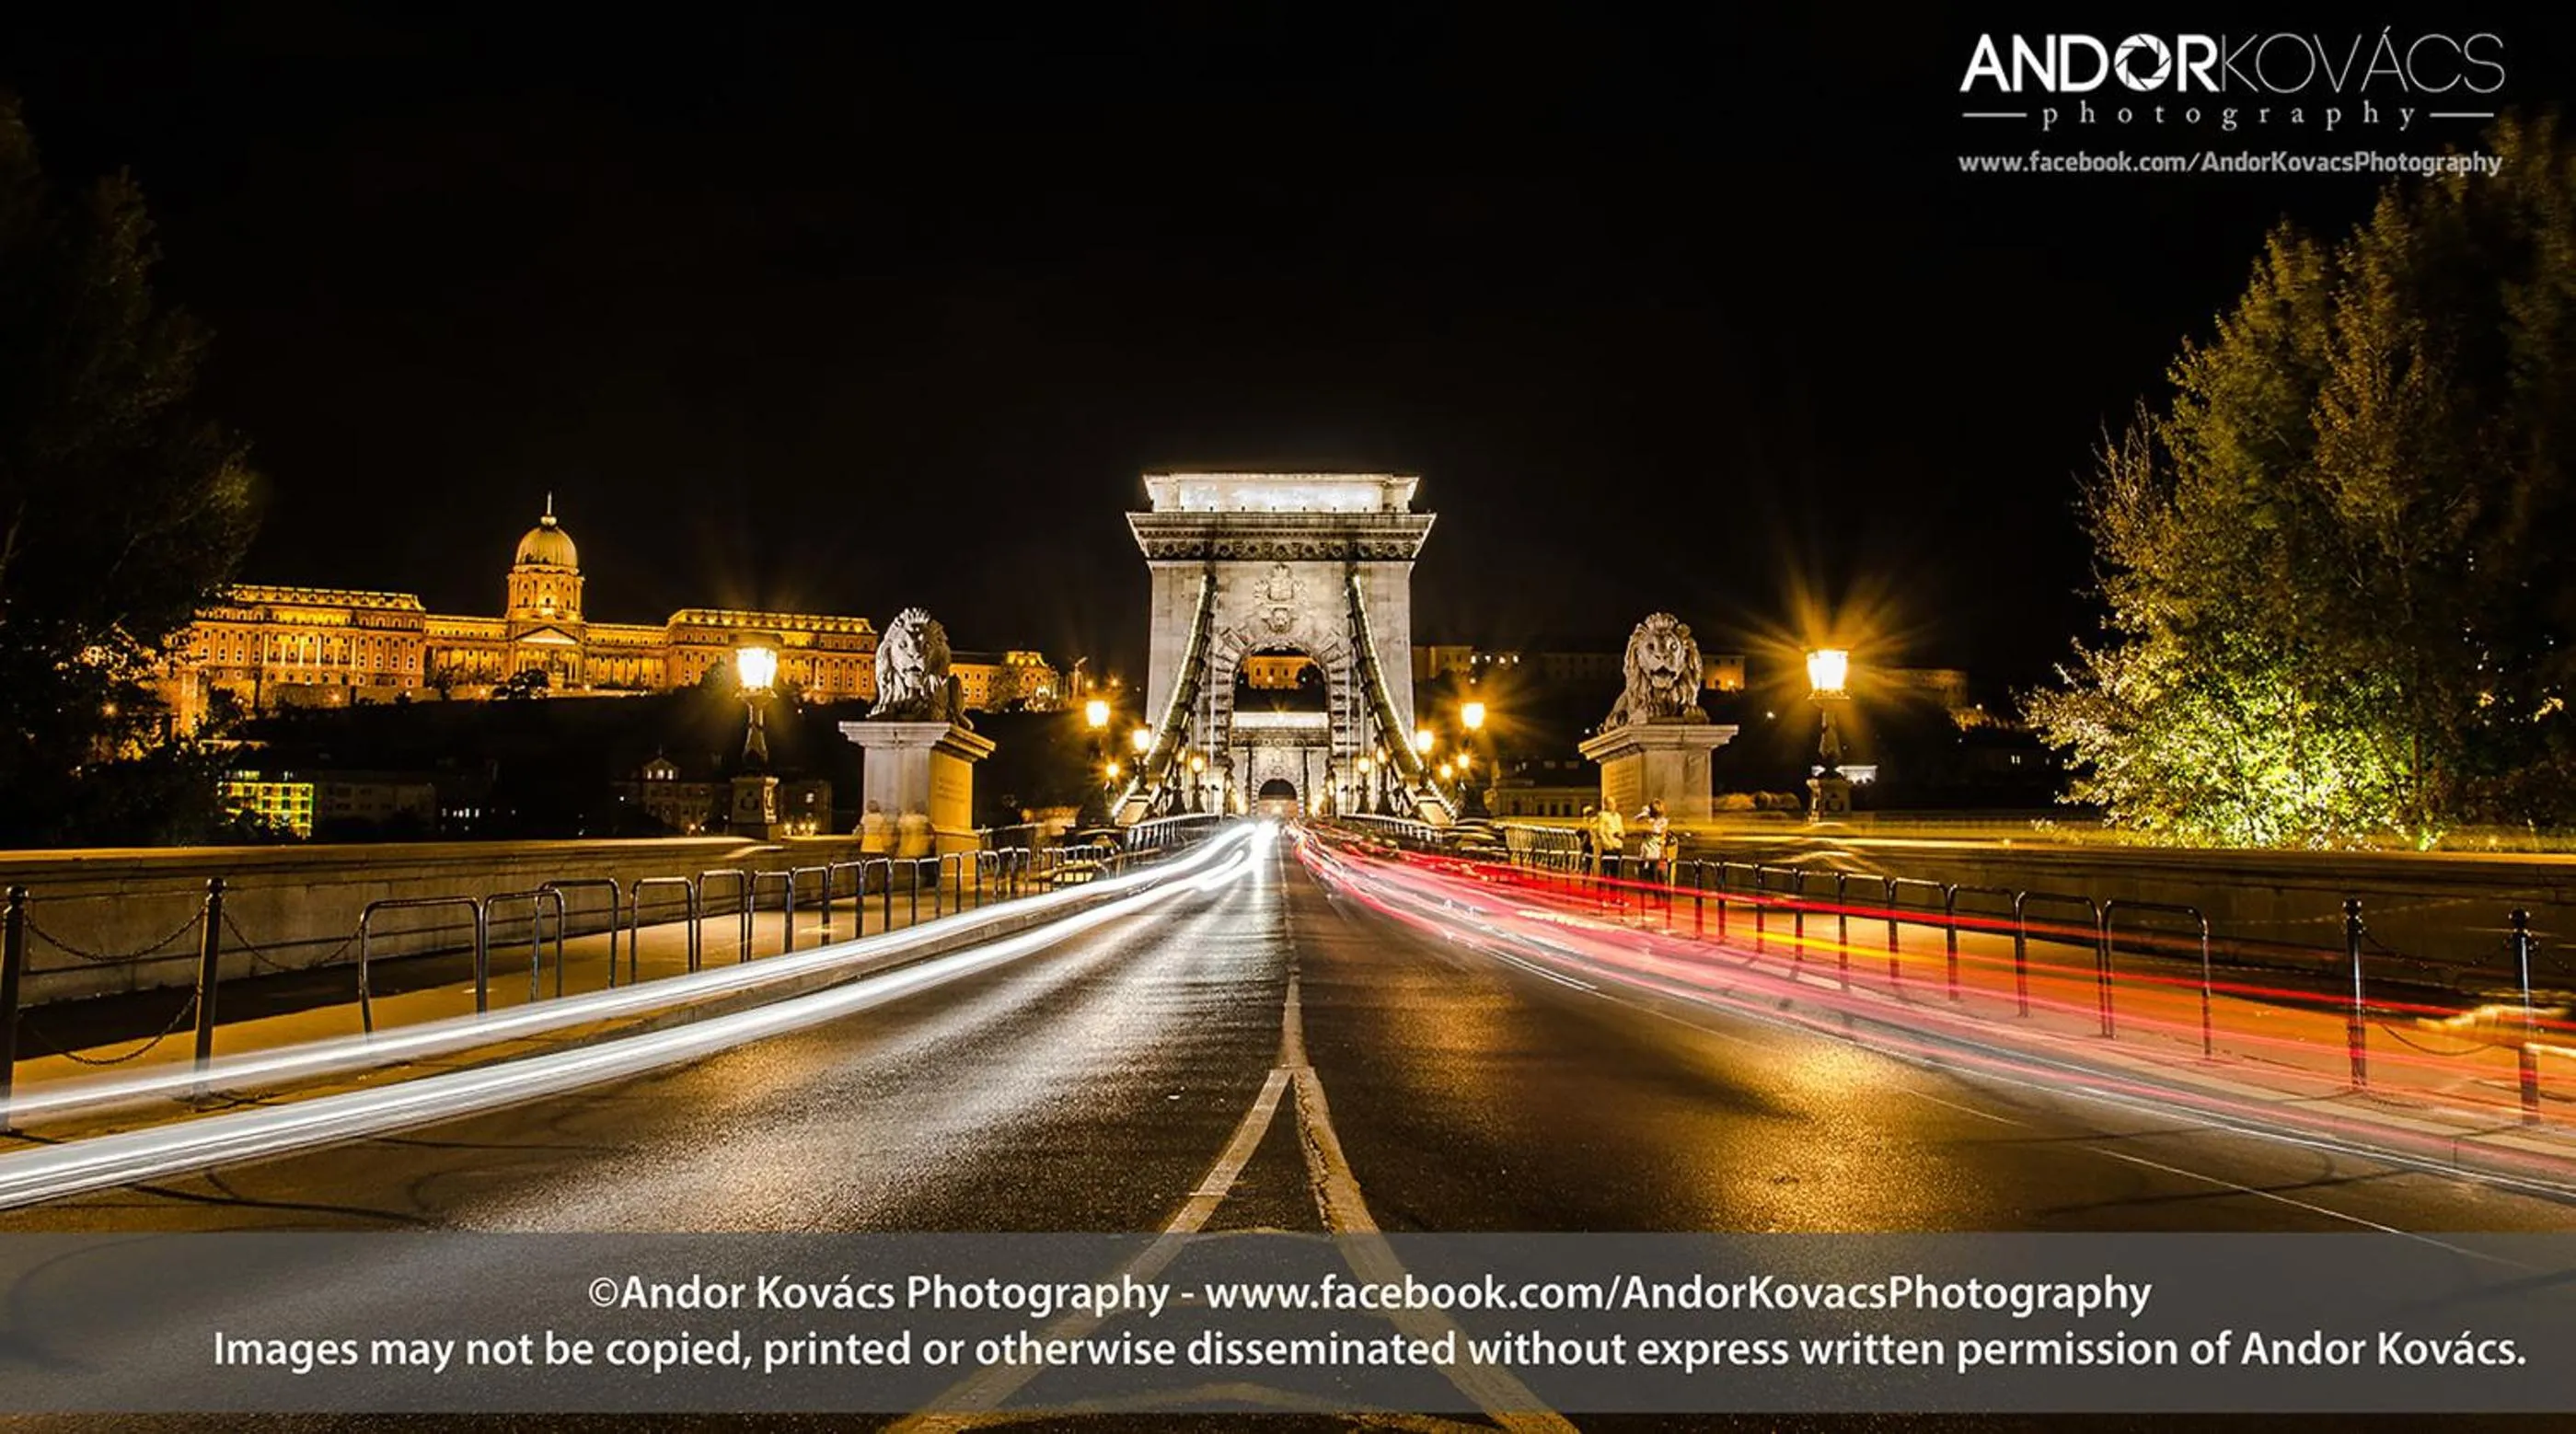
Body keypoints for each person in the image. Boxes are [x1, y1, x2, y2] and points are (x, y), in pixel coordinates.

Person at [1633, 799, 1670, 886]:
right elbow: (1636, 820)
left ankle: (1660, 896)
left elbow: (1662, 836)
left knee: (1658, 876)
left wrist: (1662, 851)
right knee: (1648, 875)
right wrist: (1645, 812)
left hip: (1656, 851)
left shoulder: (1663, 821)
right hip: (1646, 850)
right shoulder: (1648, 820)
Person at [1589, 802, 1625, 881]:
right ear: (1606, 805)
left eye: (1614, 803)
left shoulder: (1618, 816)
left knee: (1616, 872)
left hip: (1618, 845)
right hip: (1609, 847)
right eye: (1610, 803)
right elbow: (1600, 832)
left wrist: (1622, 834)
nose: (1613, 805)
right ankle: (1602, 889)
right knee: (1605, 871)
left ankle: (1614, 890)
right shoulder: (1602, 816)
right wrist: (1607, 844)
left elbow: (1621, 828)